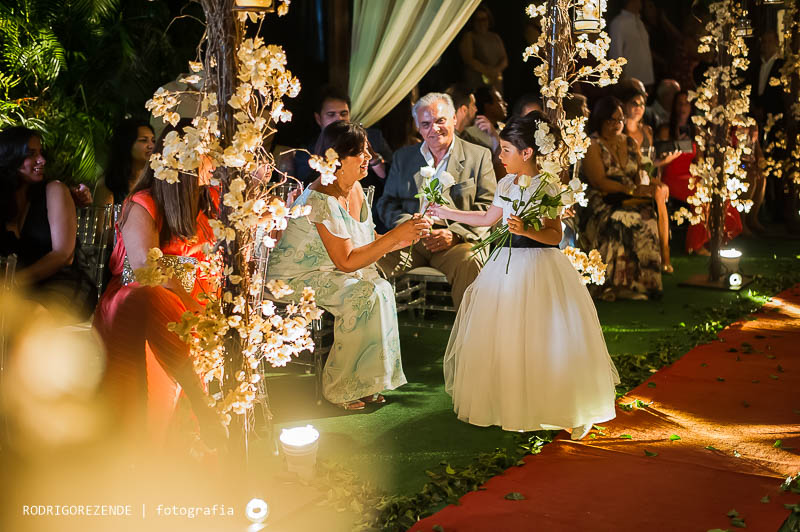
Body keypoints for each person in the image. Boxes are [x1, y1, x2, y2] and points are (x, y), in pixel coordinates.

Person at [428, 112, 619, 439]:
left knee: (543, 337)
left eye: (505, 150)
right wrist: (445, 212)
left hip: (539, 266)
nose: (499, 157)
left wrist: (528, 229)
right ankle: (508, 403)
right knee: (506, 336)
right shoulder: (504, 183)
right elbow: (489, 218)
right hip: (505, 265)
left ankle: (559, 404)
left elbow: (554, 236)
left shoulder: (547, 185)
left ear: (527, 152)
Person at [267, 121, 431, 410]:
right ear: (337, 160)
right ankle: (339, 387)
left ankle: (367, 383)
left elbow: (367, 240)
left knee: (380, 288)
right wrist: (395, 235)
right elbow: (346, 261)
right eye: (361, 152)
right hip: (294, 278)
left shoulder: (354, 188)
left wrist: (405, 237)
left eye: (368, 150)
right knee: (361, 295)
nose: (369, 157)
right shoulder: (319, 199)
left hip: (329, 271)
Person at [93, 123, 225, 447]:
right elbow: (142, 270)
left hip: (192, 297)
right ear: (186, 160)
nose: (214, 160)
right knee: (152, 298)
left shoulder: (209, 199)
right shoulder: (144, 201)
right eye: (207, 153)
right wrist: (191, 297)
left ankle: (196, 423)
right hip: (137, 297)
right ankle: (197, 403)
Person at [376, 92, 496, 309]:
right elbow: (387, 203)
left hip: (457, 243)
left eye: (440, 121)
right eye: (426, 124)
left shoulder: (479, 156)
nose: (434, 129)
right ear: (418, 127)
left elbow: (489, 208)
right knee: (371, 258)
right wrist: (407, 225)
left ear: (454, 120)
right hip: (411, 240)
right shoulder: (404, 158)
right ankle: (373, 335)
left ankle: (470, 336)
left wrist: (455, 235)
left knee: (469, 260)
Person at [0, 126, 95, 319]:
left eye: (41, 153)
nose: (42, 160)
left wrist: (13, 284)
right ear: (10, 156)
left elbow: (63, 255)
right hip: (15, 288)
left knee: (27, 313)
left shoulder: (55, 190)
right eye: (31, 154)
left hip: (61, 282)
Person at [580, 96, 666, 300]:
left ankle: (645, 282)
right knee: (621, 220)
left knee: (647, 216)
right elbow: (598, 180)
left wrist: (641, 182)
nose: (616, 125)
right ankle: (614, 285)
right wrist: (628, 189)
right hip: (603, 198)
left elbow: (638, 170)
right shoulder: (593, 145)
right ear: (600, 121)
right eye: (611, 121)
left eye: (619, 120)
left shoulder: (628, 142)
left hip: (628, 197)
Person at [291, 85, 393, 230]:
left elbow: (391, 181)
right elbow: (308, 189)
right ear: (319, 118)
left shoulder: (371, 138)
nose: (339, 119)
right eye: (331, 114)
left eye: (343, 113)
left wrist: (370, 155)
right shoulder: (308, 152)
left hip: (374, 211)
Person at [657, 91, 742, 254]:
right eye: (679, 103)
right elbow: (659, 160)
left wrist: (706, 174)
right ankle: (696, 244)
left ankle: (717, 236)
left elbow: (700, 158)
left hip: (691, 175)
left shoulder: (696, 130)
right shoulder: (666, 130)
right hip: (672, 177)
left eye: (686, 103)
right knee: (699, 194)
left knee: (720, 189)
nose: (683, 107)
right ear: (674, 107)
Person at [96, 120, 156, 205]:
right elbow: (103, 217)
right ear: (127, 144)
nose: (151, 146)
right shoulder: (109, 183)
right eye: (143, 140)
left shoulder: (157, 181)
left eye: (153, 141)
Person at [459, 6, 508, 92]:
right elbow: (469, 60)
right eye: (477, 20)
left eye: (484, 19)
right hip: (478, 84)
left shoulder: (495, 37)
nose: (481, 23)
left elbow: (504, 59)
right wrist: (487, 71)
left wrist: (495, 71)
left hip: (495, 82)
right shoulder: (469, 36)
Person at [609, 0, 655, 88]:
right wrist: (620, 79)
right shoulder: (619, 23)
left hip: (646, 79)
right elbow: (615, 53)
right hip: (631, 81)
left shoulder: (640, 22)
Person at [446, 83, 491, 150]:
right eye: (473, 105)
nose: (476, 109)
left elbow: (487, 152)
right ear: (464, 110)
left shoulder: (465, 135)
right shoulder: (448, 140)